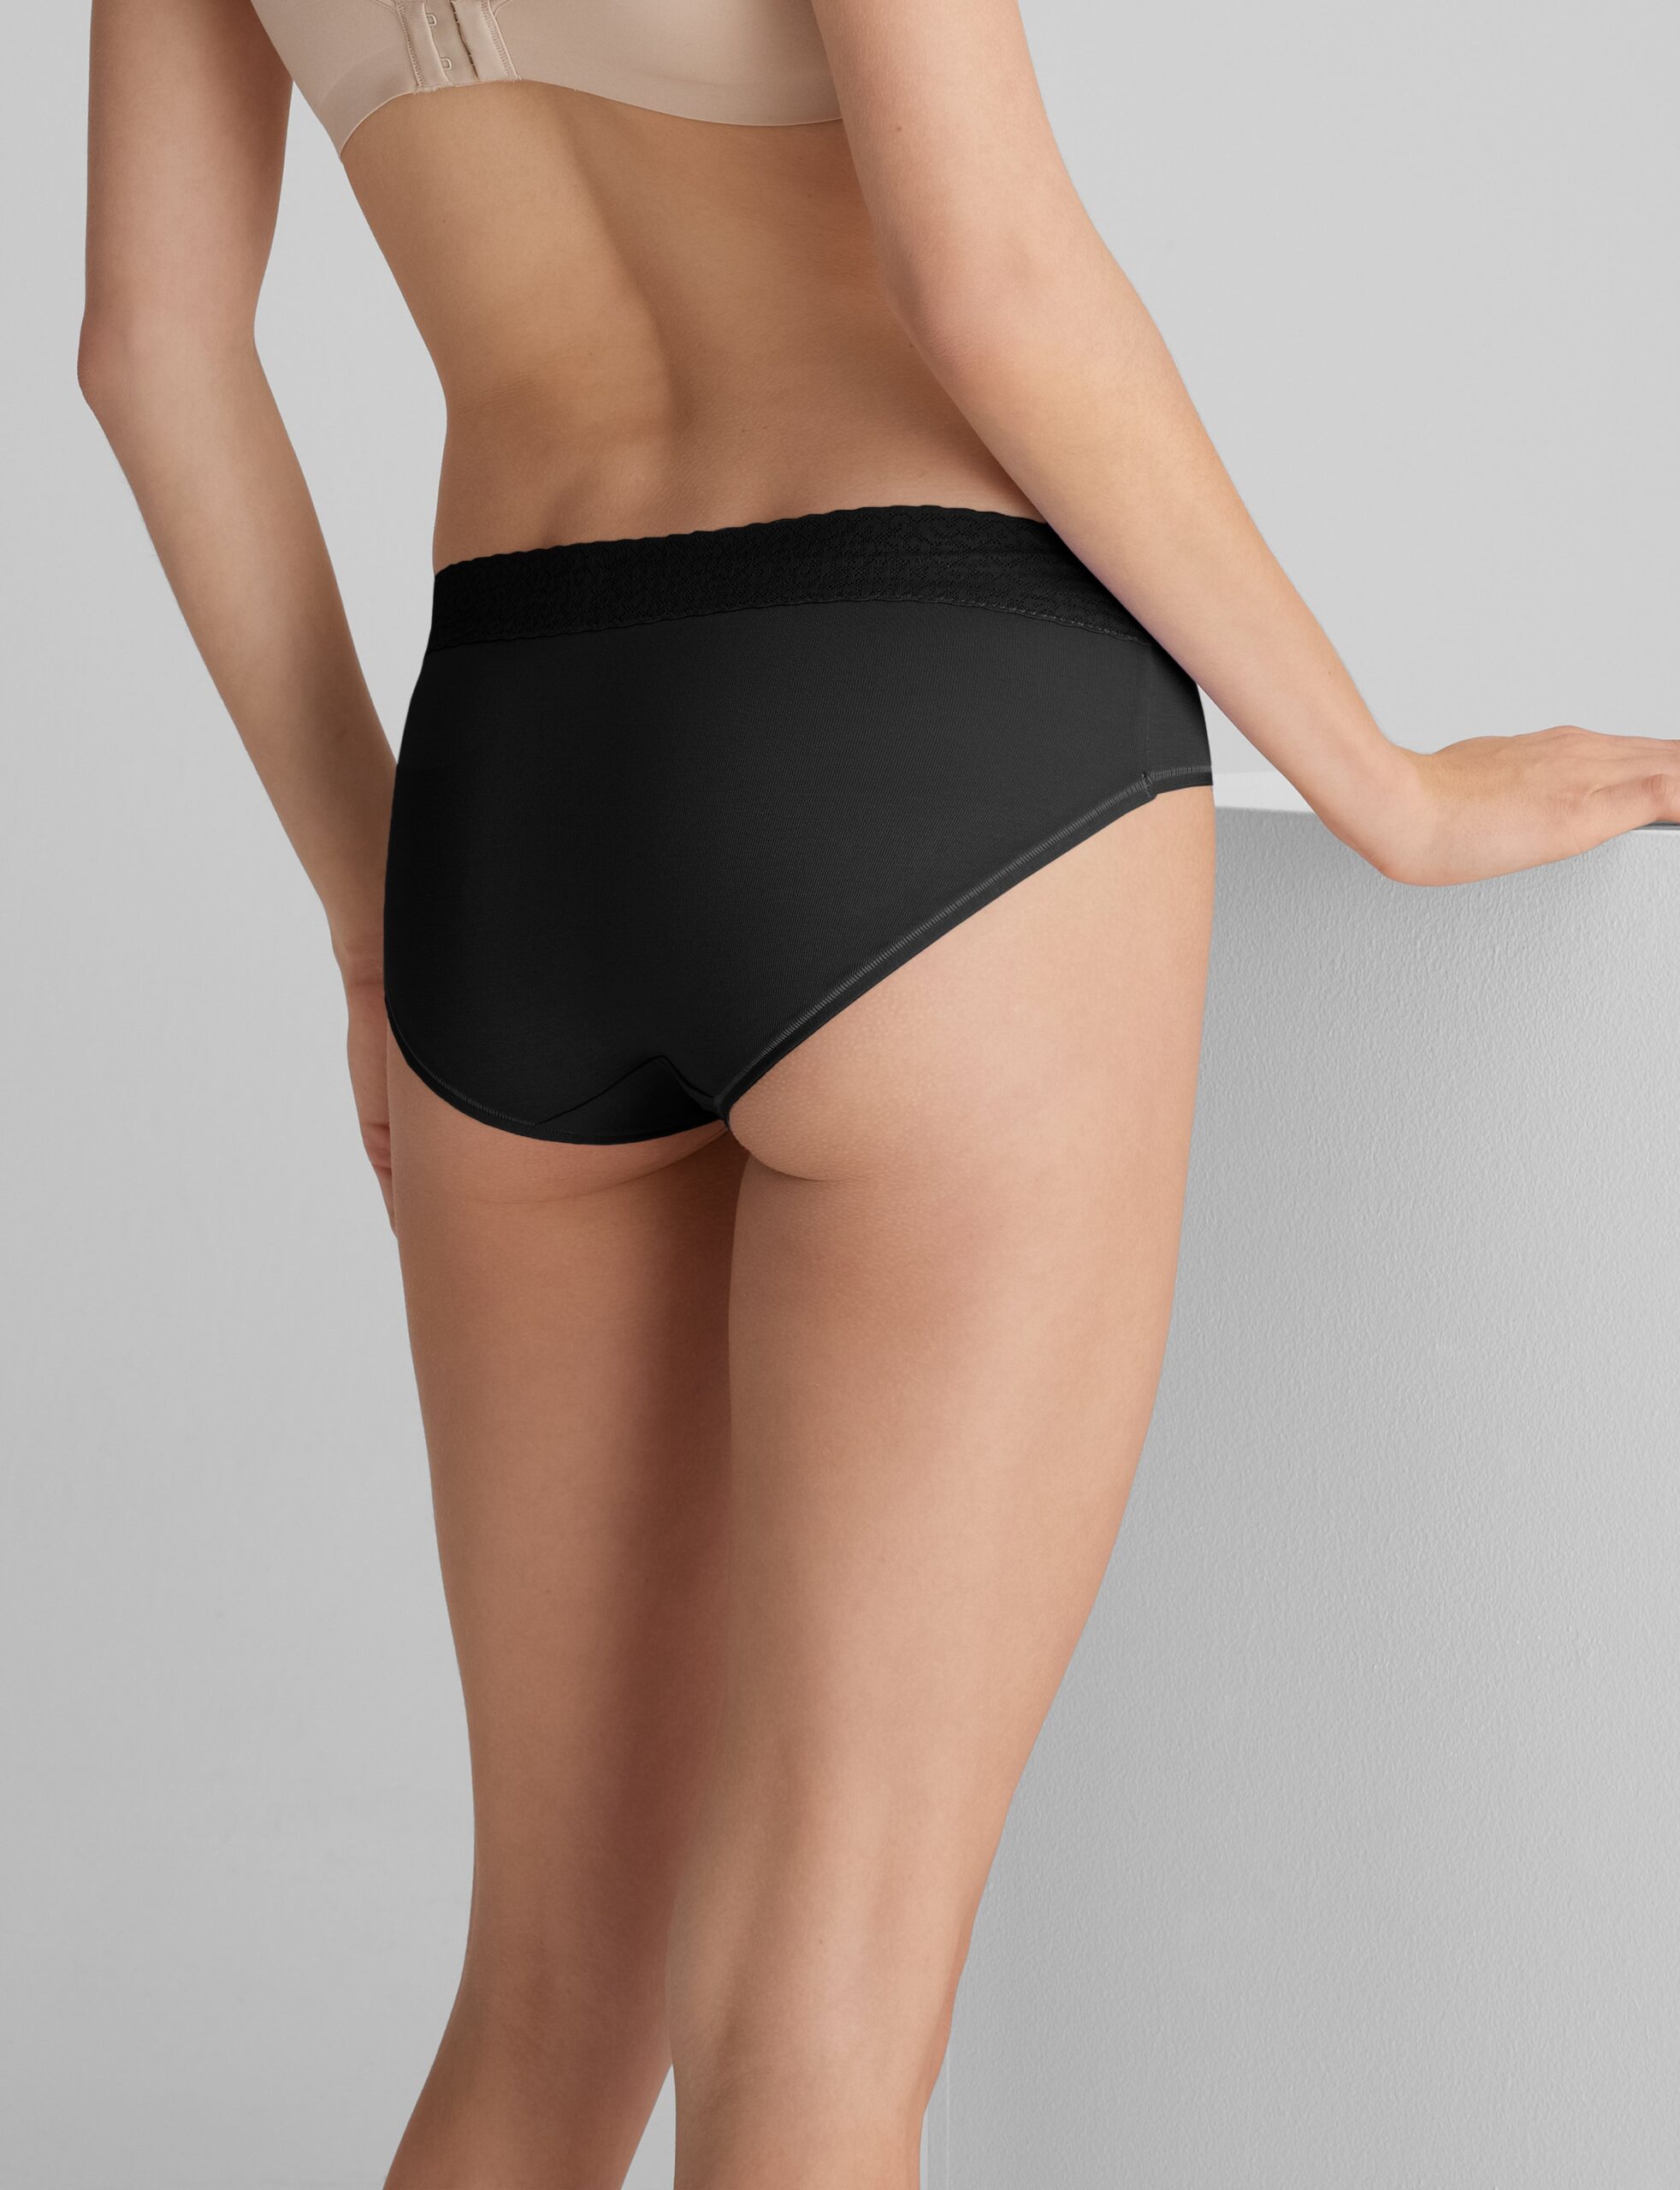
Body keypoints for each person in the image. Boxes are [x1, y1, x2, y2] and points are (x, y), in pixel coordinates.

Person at [78, 2, 1677, 2183]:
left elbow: (151, 351)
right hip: (928, 727)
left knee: (542, 2013)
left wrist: (376, 918)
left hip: (516, 788)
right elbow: (986, 278)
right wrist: (1380, 784)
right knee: (816, 2016)